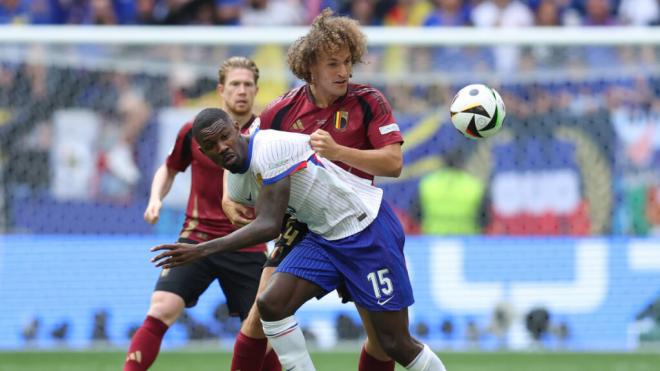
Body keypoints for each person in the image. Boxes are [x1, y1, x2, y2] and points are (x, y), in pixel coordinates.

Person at [151, 107, 448, 371]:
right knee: (271, 304)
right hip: (323, 237)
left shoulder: (269, 147)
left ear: (236, 128)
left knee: (394, 343)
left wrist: (199, 250)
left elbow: (269, 224)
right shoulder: (238, 186)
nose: (222, 146)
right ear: (203, 152)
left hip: (365, 228)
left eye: (225, 136)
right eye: (211, 145)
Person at [222, 8, 405, 371]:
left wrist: (338, 152)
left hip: (357, 223)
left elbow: (393, 163)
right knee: (261, 313)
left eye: (348, 62)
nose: (344, 73)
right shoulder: (281, 111)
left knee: (384, 342)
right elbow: (244, 148)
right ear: (310, 67)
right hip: (302, 223)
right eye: (333, 64)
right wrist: (229, 196)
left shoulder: (369, 101)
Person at [123, 57, 275, 371]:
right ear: (221, 89)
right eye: (235, 84)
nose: (242, 91)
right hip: (198, 238)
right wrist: (155, 200)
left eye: (248, 84)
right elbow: (169, 168)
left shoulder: (268, 137)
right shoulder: (194, 131)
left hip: (246, 243)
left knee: (264, 332)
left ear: (257, 90)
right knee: (162, 307)